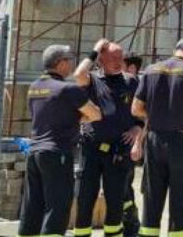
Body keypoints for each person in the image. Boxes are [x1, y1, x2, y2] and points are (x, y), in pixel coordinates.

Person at [18, 44, 101, 237]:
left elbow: (48, 114)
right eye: (69, 59)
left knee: (33, 205)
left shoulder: (34, 87)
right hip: (57, 153)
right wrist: (79, 117)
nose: (72, 63)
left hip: (34, 152)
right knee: (58, 205)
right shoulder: (67, 89)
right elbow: (95, 114)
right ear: (60, 63)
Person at [131, 38, 183, 237]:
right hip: (181, 142)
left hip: (154, 139)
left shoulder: (151, 70)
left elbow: (136, 108)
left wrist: (158, 115)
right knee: (180, 198)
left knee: (152, 196)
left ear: (176, 50)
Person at [73, 40, 141, 237]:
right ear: (101, 59)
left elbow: (142, 114)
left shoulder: (131, 82)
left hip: (118, 153)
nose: (118, 61)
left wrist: (137, 132)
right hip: (91, 150)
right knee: (86, 200)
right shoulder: (92, 80)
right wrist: (94, 50)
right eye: (112, 57)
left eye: (120, 57)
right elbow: (78, 74)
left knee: (115, 203)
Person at [122, 53, 145, 237]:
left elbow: (143, 119)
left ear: (131, 68)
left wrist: (137, 140)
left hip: (128, 146)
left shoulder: (137, 87)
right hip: (117, 144)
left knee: (124, 187)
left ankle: (131, 226)